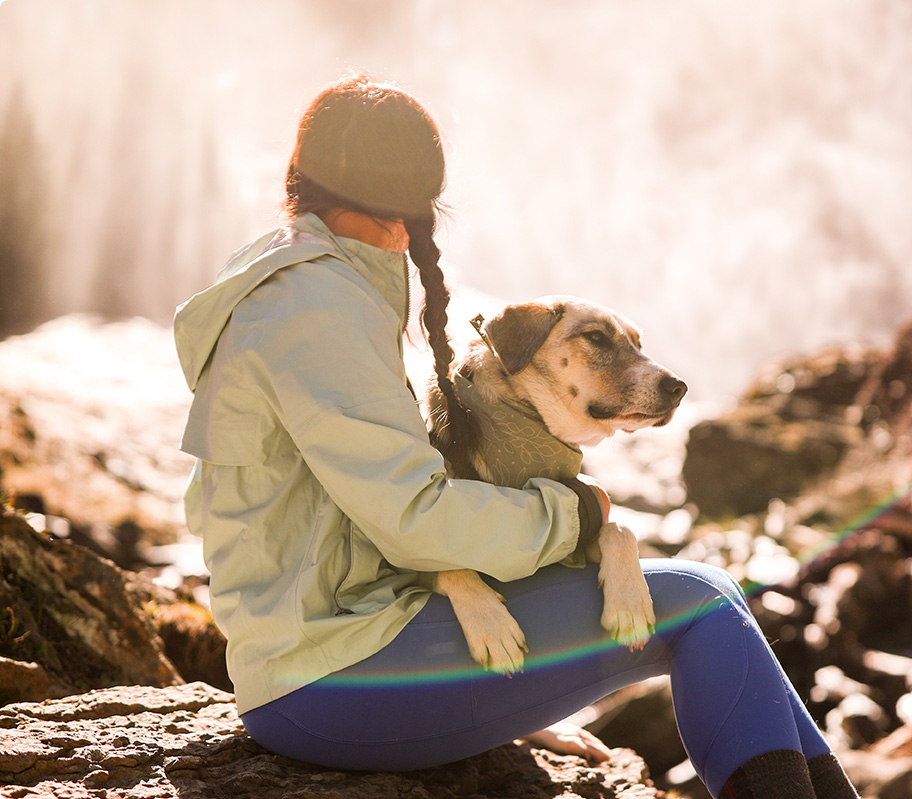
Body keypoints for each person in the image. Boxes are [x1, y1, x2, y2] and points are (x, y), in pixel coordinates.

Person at [174, 72, 858, 799]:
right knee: (702, 605)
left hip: (334, 657)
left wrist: (517, 708)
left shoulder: (296, 282)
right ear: (405, 207)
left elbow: (355, 521)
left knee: (711, 590)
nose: (411, 233)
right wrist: (576, 513)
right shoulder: (317, 307)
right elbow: (414, 521)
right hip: (329, 681)